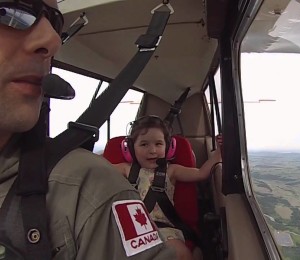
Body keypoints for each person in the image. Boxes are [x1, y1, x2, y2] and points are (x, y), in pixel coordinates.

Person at [0, 0, 175, 259]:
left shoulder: (93, 186)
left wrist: (218, 160)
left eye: (55, 22)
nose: (52, 39)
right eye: (15, 12)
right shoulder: (119, 171)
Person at [115, 116, 222, 260]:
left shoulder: (172, 170)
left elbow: (201, 173)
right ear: (130, 149)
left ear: (169, 147)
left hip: (164, 230)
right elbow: (95, 170)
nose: (152, 150)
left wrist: (219, 152)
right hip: (131, 230)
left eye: (158, 144)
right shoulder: (125, 169)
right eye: (144, 144)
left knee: (181, 253)